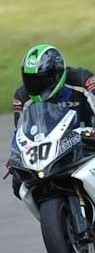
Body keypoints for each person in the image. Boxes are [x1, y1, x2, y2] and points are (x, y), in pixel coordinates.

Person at [10, 44, 95, 197]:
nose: (35, 87)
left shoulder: (82, 80)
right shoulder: (22, 97)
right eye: (31, 81)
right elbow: (20, 132)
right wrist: (15, 155)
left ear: (56, 74)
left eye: (41, 80)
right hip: (51, 149)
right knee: (18, 183)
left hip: (87, 142)